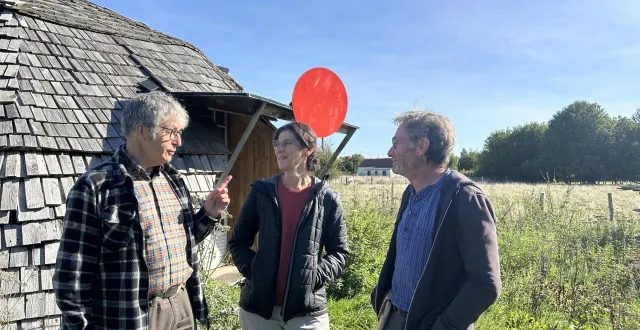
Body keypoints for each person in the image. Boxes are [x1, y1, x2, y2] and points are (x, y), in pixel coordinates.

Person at [53, 91, 231, 330]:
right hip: (132, 316)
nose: (179, 141)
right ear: (142, 130)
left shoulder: (173, 179)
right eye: (171, 132)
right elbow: (71, 276)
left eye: (180, 133)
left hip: (181, 304)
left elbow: (184, 243)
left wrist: (208, 213)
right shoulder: (96, 186)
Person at [370, 109, 501, 330]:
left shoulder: (465, 198)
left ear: (421, 146)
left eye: (396, 143)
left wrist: (443, 326)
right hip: (394, 317)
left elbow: (485, 283)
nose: (390, 151)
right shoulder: (410, 192)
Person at [228, 121, 349, 330]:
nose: (279, 149)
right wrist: (255, 271)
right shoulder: (262, 192)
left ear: (308, 149)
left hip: (307, 312)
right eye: (277, 144)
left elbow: (340, 252)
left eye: (287, 144)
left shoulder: (326, 198)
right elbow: (238, 242)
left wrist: (314, 276)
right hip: (259, 311)